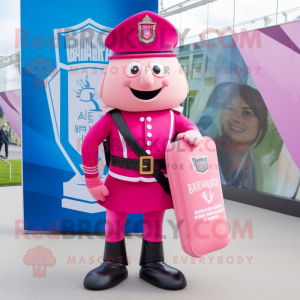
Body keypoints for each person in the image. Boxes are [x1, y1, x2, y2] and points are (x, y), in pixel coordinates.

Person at [81, 11, 203, 291]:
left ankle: (153, 262)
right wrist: (93, 181)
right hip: (119, 182)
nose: (147, 82)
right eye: (134, 70)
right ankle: (113, 262)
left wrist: (193, 134)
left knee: (154, 219)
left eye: (157, 70)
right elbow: (89, 145)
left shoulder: (174, 118)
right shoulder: (112, 119)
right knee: (115, 219)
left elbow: (191, 129)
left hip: (157, 183)